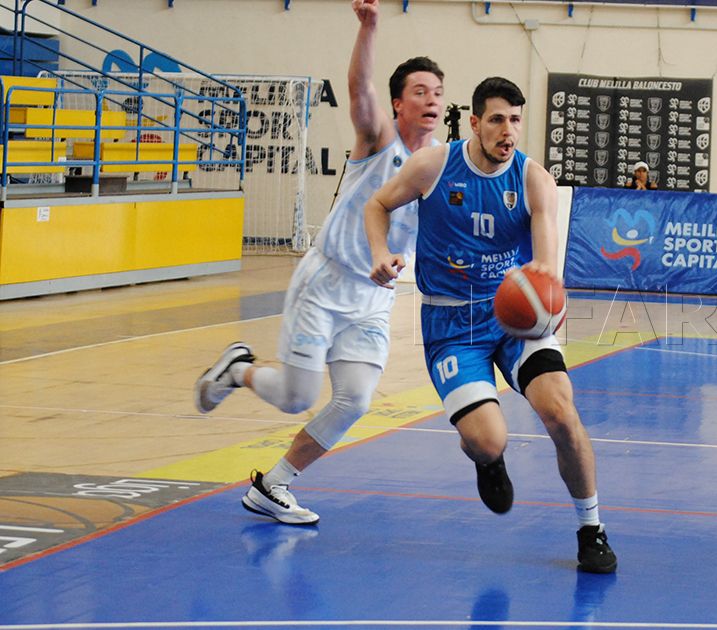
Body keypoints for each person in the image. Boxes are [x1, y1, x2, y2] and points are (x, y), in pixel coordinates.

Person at [192, 0, 444, 525]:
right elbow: (358, 90)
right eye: (420, 91)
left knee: (354, 400)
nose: (431, 100)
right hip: (326, 283)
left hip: (373, 299)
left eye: (438, 93)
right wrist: (369, 27)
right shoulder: (380, 139)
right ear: (398, 103)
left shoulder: (440, 163)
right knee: (295, 396)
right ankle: (237, 370)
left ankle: (274, 485)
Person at [363, 77, 618, 574]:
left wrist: (545, 297)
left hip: (515, 320)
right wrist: (380, 252)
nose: (509, 131)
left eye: (517, 120)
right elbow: (377, 205)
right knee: (487, 439)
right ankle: (487, 458)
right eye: (498, 120)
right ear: (475, 122)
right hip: (451, 322)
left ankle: (592, 528)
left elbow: (546, 266)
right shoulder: (432, 167)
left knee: (562, 412)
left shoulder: (532, 179)